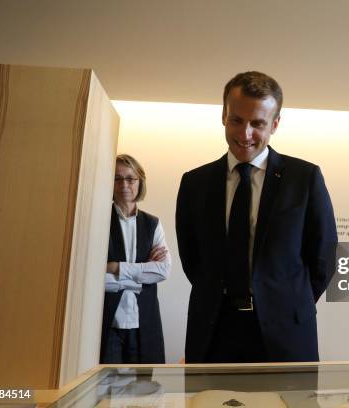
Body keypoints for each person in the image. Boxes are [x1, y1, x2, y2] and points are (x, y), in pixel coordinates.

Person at [176, 71, 337, 363]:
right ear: (223, 116)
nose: (245, 134)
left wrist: (286, 301)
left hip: (285, 329)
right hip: (214, 329)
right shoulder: (194, 183)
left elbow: (323, 258)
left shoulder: (304, 178)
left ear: (275, 124)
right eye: (236, 120)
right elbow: (193, 259)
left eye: (258, 123)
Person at [100, 154, 170, 363]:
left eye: (130, 178)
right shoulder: (98, 219)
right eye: (117, 178)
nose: (124, 185)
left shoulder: (152, 224)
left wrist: (114, 267)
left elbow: (162, 271)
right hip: (107, 323)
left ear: (140, 182)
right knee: (105, 391)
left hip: (144, 321)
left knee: (144, 390)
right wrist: (141, 278)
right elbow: (92, 279)